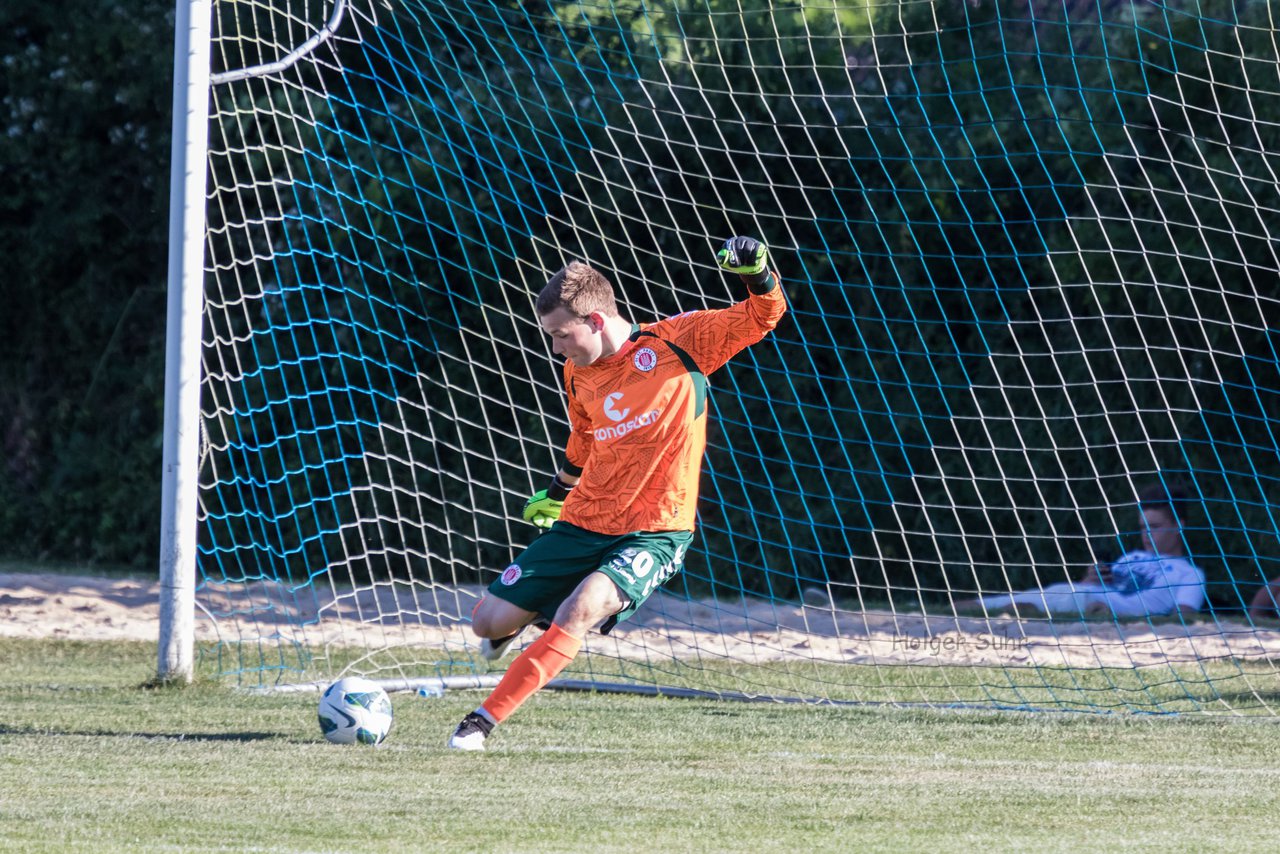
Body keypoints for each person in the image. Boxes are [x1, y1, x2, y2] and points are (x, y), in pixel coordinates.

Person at [447, 236, 787, 750]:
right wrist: (559, 493)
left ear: (596, 321)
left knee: (581, 609)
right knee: (485, 623)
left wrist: (756, 272)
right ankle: (525, 616)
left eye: (562, 336)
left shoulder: (678, 343)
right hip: (585, 520)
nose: (556, 348)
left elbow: (764, 314)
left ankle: (480, 723)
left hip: (656, 529)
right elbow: (584, 441)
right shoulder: (577, 373)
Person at [956, 483, 1206, 620]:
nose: (1147, 534)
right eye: (1143, 527)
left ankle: (1025, 610)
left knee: (1014, 605)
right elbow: (1092, 585)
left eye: (1155, 527)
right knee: (986, 603)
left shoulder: (1189, 573)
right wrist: (1092, 578)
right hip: (1076, 593)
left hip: (1097, 606)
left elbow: (1183, 616)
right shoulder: (1132, 557)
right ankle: (923, 607)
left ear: (1178, 526)